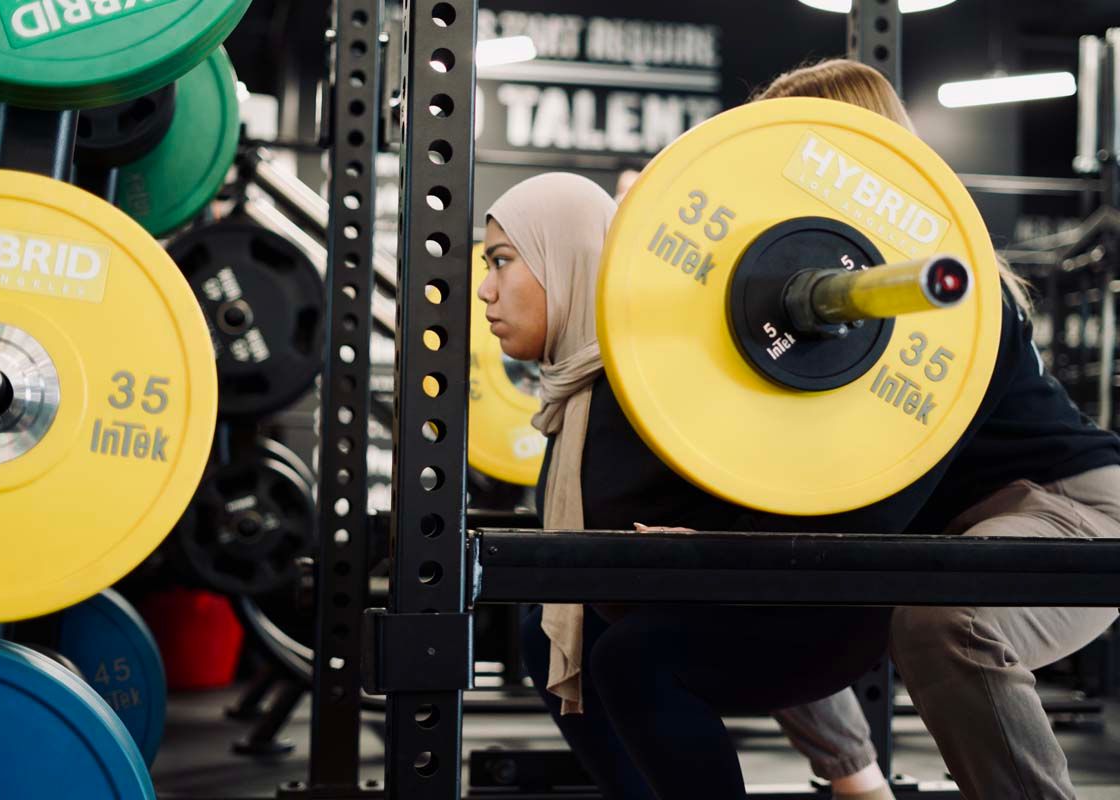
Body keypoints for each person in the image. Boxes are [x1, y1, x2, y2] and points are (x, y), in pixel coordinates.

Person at [478, 59, 1120, 800]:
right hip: (944, 528)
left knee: (941, 615)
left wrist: (727, 547)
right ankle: (857, 782)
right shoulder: (811, 310)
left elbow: (869, 519)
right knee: (581, 629)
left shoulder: (966, 311)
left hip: (1070, 513)